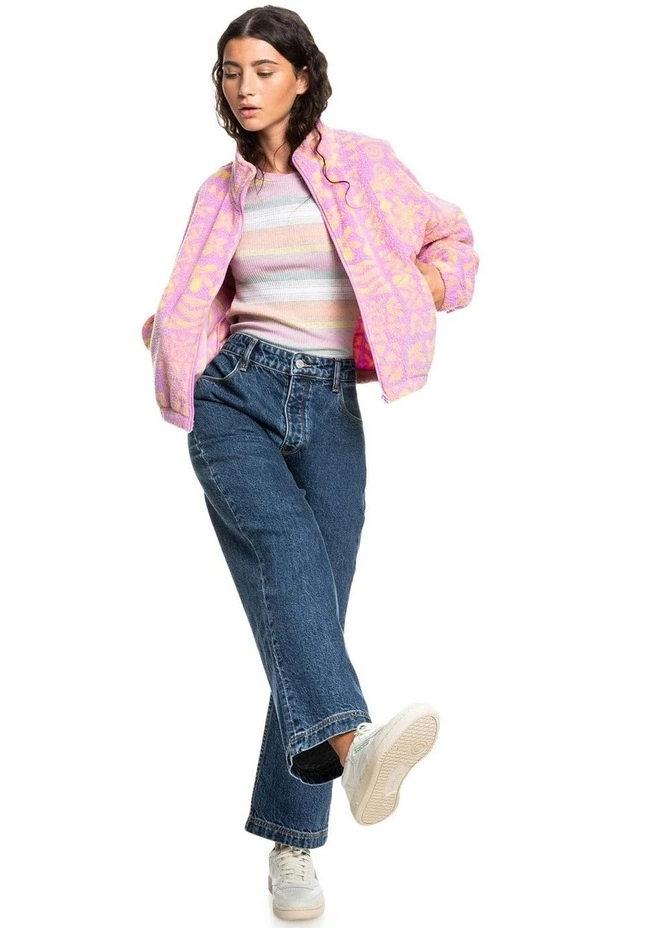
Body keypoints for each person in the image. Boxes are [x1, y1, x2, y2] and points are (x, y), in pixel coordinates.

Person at [142, 5, 479, 920]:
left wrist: (422, 285)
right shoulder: (218, 194)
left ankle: (292, 844)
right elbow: (188, 300)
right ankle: (356, 748)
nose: (244, 88)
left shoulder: (364, 164)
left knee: (306, 624)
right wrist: (169, 336)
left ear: (301, 76)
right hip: (235, 398)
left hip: (330, 407)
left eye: (262, 70)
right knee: (292, 562)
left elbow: (453, 242)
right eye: (230, 72)